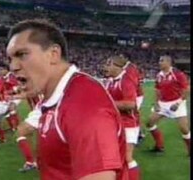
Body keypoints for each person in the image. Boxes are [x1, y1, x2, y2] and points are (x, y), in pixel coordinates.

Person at [7, 19, 128, 180]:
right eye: (10, 59)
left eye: (22, 54)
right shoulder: (56, 98)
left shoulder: (84, 101)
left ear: (53, 54)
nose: (13, 66)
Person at [104, 56, 140, 180]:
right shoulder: (110, 80)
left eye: (109, 64)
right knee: (116, 156)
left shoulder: (126, 80)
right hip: (115, 123)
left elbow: (130, 104)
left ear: (117, 67)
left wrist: (107, 104)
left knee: (127, 157)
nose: (105, 67)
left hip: (128, 123)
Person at [146, 55, 190, 155]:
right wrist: (156, 103)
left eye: (162, 61)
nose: (159, 62)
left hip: (176, 103)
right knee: (149, 123)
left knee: (184, 129)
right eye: (159, 60)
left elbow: (186, 90)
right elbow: (157, 89)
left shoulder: (177, 74)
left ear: (168, 62)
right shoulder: (159, 75)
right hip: (162, 104)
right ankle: (159, 146)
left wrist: (178, 103)